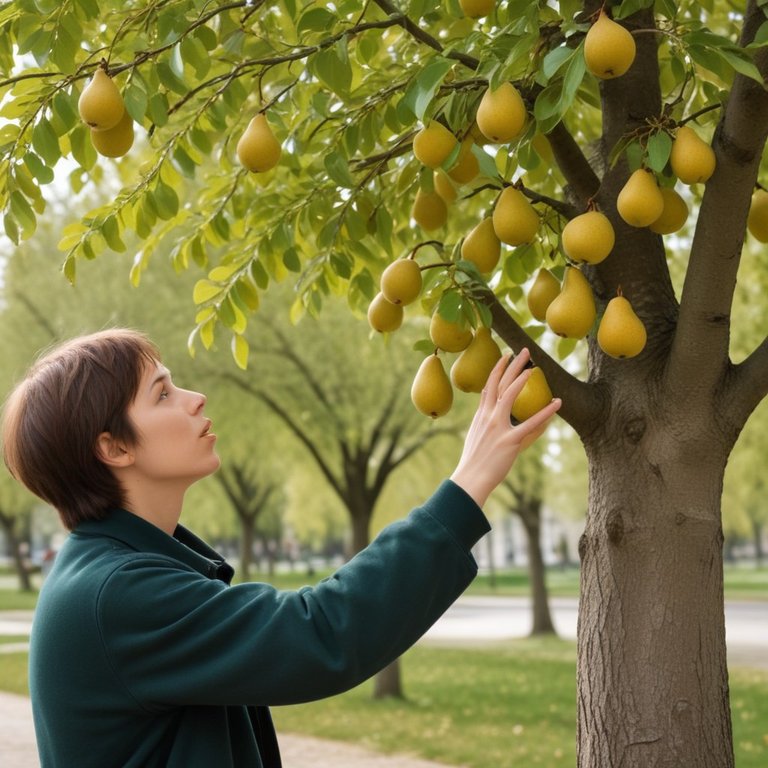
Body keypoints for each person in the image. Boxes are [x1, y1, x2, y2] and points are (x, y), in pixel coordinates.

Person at [1, 328, 561, 768]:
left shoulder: (115, 574)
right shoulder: (114, 595)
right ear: (113, 446)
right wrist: (468, 484)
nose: (195, 399)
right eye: (164, 393)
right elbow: (320, 632)